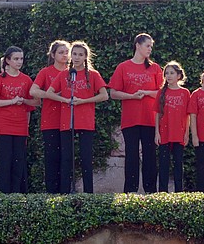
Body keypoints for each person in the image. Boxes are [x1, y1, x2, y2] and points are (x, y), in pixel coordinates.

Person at [45, 40, 108, 193]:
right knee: (66, 159)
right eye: (74, 54)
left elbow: (104, 95)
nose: (77, 57)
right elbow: (49, 93)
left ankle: (88, 195)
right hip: (67, 122)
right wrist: (65, 100)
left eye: (81, 54)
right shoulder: (64, 74)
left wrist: (84, 101)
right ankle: (65, 193)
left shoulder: (93, 75)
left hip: (86, 121)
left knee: (86, 159)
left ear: (86, 57)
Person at [108, 33, 163, 194]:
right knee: (131, 155)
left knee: (150, 155)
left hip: (150, 119)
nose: (150, 49)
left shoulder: (155, 68)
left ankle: (151, 192)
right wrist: (131, 96)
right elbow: (113, 93)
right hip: (130, 119)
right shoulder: (123, 67)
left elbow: (161, 92)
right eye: (147, 46)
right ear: (138, 45)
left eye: (151, 47)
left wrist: (145, 92)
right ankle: (130, 192)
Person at [0, 46, 38, 193]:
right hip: (4, 125)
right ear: (8, 60)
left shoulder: (26, 79)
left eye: (21, 59)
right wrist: (10, 101)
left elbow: (36, 101)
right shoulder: (0, 79)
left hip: (20, 125)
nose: (19, 62)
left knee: (19, 161)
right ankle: (3, 193)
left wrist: (23, 100)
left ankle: (17, 194)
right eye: (16, 59)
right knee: (5, 160)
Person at [30, 40, 70, 193]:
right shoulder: (45, 72)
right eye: (61, 52)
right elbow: (33, 91)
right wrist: (51, 95)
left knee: (66, 158)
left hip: (68, 121)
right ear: (53, 55)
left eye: (67, 52)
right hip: (50, 120)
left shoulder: (73, 72)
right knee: (51, 158)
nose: (65, 55)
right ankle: (51, 192)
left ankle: (65, 192)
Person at [154, 61, 191, 192]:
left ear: (179, 75)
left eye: (172, 73)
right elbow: (157, 114)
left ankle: (179, 193)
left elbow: (188, 115)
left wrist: (186, 134)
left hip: (179, 133)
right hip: (164, 133)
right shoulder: (161, 93)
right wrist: (157, 133)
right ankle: (162, 193)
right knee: (163, 165)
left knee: (178, 164)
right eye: (167, 73)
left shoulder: (185, 93)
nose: (169, 76)